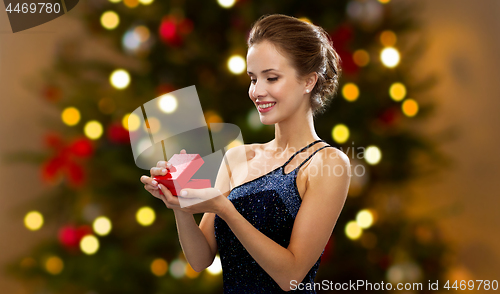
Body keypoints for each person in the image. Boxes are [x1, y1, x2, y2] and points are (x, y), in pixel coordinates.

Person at [140, 14, 351, 293]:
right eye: (253, 79)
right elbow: (200, 259)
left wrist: (225, 209)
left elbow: (291, 276)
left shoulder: (327, 163)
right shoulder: (238, 158)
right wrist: (179, 203)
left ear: (308, 81)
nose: (257, 91)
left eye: (271, 78)